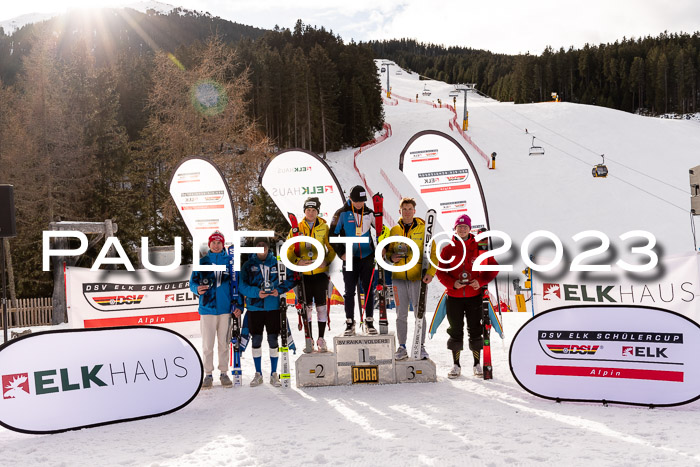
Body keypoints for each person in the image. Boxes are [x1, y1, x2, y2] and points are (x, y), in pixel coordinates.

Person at [435, 215, 498, 378]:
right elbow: (440, 271)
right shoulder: (448, 249)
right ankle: (456, 365)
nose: (462, 229)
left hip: (474, 296)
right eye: (459, 226)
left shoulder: (480, 247)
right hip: (454, 296)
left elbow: (494, 267)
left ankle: (477, 364)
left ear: (470, 229)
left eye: (465, 227)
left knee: (475, 329)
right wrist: (452, 284)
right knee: (455, 330)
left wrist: (481, 280)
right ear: (454, 229)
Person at [239, 237, 295, 387]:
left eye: (264, 244)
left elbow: (292, 278)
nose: (261, 247)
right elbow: (241, 286)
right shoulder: (248, 265)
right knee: (256, 340)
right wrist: (256, 292)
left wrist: (280, 290)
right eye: (258, 245)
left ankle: (273, 374)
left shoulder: (279, 262)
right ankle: (258, 374)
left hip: (273, 307)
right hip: (255, 308)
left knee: (273, 340)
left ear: (268, 247)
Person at [385, 198, 437, 360]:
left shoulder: (424, 230)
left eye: (410, 209)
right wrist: (390, 257)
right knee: (401, 314)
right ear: (399, 211)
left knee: (419, 313)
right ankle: (402, 347)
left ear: (414, 211)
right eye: (404, 209)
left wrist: (431, 272)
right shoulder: (394, 231)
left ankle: (420, 346)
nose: (407, 212)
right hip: (399, 278)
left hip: (418, 278)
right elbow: (386, 253)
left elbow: (433, 253)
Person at [190, 230, 240, 390]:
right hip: (207, 309)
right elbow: (192, 283)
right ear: (209, 244)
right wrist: (197, 289)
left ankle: (224, 373)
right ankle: (208, 374)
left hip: (225, 309)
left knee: (224, 344)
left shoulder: (230, 261)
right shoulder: (203, 261)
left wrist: (237, 305)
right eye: (214, 243)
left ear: (223, 244)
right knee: (207, 345)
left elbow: (236, 284)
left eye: (219, 243)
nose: (216, 245)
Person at [286, 197, 337, 352]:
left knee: (321, 307)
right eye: (308, 210)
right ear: (304, 211)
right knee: (306, 308)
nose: (311, 213)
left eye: (314, 210)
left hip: (320, 273)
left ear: (318, 212)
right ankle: (309, 339)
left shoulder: (323, 227)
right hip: (304, 275)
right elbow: (288, 249)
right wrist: (297, 261)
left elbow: (332, 248)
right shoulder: (296, 227)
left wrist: (326, 261)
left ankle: (321, 339)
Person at [330, 185, 378, 336]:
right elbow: (331, 235)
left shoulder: (370, 213)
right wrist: (341, 253)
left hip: (367, 255)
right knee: (349, 290)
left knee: (369, 289)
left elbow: (381, 230)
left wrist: (380, 246)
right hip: (349, 256)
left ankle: (369, 321)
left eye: (362, 201)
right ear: (350, 199)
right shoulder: (341, 213)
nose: (359, 204)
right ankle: (350, 322)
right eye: (356, 201)